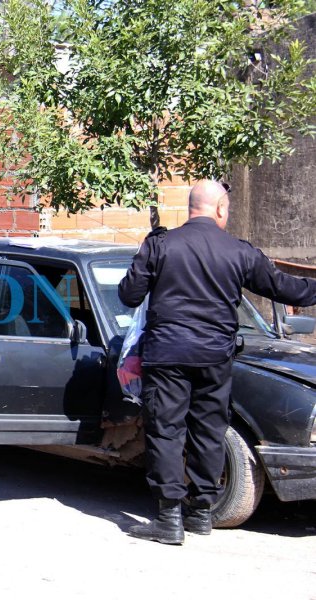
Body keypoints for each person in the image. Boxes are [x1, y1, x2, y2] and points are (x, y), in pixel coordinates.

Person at [117, 179, 316, 545]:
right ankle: (202, 512)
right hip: (215, 357)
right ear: (221, 209)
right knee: (209, 430)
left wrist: (144, 258)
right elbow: (288, 289)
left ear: (190, 207)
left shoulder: (160, 245)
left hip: (168, 356)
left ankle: (168, 519)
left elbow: (129, 295)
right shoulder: (240, 252)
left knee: (166, 431)